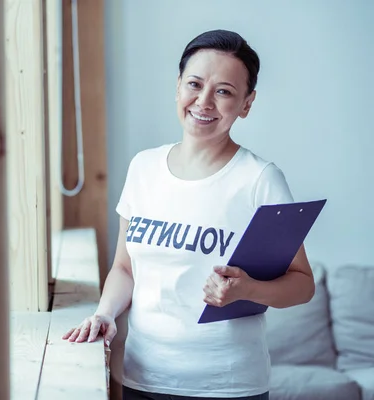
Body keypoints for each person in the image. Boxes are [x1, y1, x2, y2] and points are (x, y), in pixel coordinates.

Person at [62, 29, 316, 400]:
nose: (204, 101)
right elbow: (125, 268)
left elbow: (303, 284)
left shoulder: (259, 179)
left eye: (225, 91)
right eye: (194, 84)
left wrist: (248, 289)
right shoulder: (143, 167)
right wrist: (104, 314)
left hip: (227, 386)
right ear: (178, 86)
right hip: (140, 376)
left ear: (247, 103)